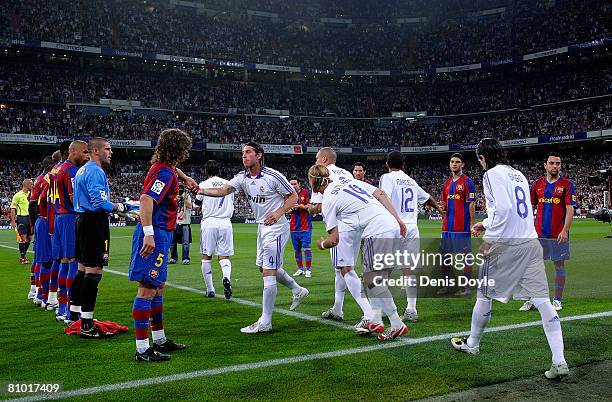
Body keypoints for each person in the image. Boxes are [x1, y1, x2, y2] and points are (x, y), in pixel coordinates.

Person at [451, 138, 568, 380]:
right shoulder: (519, 175)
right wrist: (485, 223)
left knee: (484, 294)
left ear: (482, 157)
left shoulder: (491, 174)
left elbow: (503, 210)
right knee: (543, 302)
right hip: (529, 242)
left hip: (506, 245)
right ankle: (559, 360)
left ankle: (472, 343)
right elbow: (513, 210)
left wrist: (489, 239)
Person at [200, 142, 308, 334]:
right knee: (265, 268)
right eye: (243, 153)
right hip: (262, 227)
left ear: (259, 155)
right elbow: (223, 190)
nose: (244, 156)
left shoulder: (273, 176)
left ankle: (265, 321)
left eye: (248, 152)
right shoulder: (242, 178)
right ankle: (297, 290)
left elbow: (293, 196)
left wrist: (279, 211)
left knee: (269, 271)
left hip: (276, 227)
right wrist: (201, 190)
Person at [311, 164, 409, 340]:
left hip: (377, 230)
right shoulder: (346, 182)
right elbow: (379, 194)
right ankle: (377, 320)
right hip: (389, 224)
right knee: (373, 280)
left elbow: (334, 239)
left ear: (313, 181)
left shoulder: (327, 201)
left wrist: (322, 244)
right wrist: (399, 220)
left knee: (372, 280)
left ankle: (395, 324)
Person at [129, 128, 195, 362]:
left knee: (158, 286)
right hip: (155, 233)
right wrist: (148, 234)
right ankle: (141, 349)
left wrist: (184, 177)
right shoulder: (164, 174)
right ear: (179, 149)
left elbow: (170, 172)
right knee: (148, 288)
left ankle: (159, 339)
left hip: (162, 233)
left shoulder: (164, 169)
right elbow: (146, 199)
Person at [71, 137, 131, 337]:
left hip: (81, 221)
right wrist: (119, 207)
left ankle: (76, 316)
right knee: (94, 271)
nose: (111, 152)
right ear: (95, 151)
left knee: (82, 269)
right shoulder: (95, 171)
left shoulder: (82, 170)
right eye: (107, 148)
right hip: (93, 222)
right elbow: (98, 202)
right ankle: (87, 325)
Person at [379, 151, 441, 322]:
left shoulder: (387, 178)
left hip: (395, 226)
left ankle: (383, 309)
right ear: (403, 165)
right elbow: (427, 198)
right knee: (409, 270)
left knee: (385, 267)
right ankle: (411, 308)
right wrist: (439, 209)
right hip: (412, 228)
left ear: (387, 164)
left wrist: (396, 220)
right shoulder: (411, 181)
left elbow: (384, 198)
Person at [520, 152, 576, 312]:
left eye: (557, 163)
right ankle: (532, 299)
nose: (554, 166)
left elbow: (569, 209)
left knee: (559, 265)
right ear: (545, 165)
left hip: (558, 234)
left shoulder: (566, 184)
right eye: (551, 163)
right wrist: (527, 228)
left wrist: (565, 230)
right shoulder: (537, 184)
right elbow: (529, 207)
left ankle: (557, 299)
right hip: (538, 234)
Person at [310, 147, 358, 321]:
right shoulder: (347, 173)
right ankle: (337, 308)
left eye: (317, 158)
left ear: (324, 159)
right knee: (343, 269)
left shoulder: (320, 174)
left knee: (346, 270)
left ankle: (370, 313)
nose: (315, 161)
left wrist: (303, 209)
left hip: (340, 225)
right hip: (356, 224)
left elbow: (317, 207)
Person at [53, 140, 90, 323]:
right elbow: (73, 197)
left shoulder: (61, 169)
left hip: (61, 216)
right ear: (73, 151)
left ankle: (62, 308)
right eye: (84, 152)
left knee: (65, 261)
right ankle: (70, 311)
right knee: (73, 262)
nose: (87, 156)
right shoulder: (71, 171)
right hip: (69, 217)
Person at [438, 153, 476, 296]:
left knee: (466, 256)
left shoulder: (467, 182)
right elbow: (445, 204)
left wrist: (472, 224)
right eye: (452, 162)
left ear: (462, 164)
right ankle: (446, 285)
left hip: (462, 227)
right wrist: (443, 209)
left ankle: (466, 287)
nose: (454, 164)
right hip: (447, 227)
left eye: (457, 162)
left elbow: (471, 203)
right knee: (445, 256)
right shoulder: (447, 184)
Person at [195, 160, 235, 299]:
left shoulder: (203, 185)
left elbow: (196, 204)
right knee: (224, 256)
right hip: (225, 222)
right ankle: (226, 277)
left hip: (209, 222)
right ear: (219, 170)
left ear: (206, 171)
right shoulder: (229, 184)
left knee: (206, 257)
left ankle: (210, 289)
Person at [29, 156, 55, 305]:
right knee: (47, 260)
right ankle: (44, 296)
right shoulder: (47, 180)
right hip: (45, 220)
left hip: (41, 220)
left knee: (40, 258)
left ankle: (36, 291)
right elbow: (33, 204)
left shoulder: (40, 179)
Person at [289, 177, 313, 278]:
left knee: (306, 248)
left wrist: (299, 206)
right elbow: (286, 210)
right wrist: (290, 209)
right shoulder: (288, 195)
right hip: (293, 227)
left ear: (299, 184)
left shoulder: (306, 193)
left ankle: (308, 270)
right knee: (297, 249)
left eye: (295, 184)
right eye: (291, 184)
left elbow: (310, 207)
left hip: (305, 226)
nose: (293, 186)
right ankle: (300, 269)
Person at [10, 178, 34, 264]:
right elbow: (13, 209)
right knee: (22, 238)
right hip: (22, 218)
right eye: (31, 184)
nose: (32, 185)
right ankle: (22, 258)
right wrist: (13, 221)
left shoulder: (32, 194)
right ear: (26, 185)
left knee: (29, 238)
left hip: (31, 218)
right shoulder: (17, 195)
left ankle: (23, 255)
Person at [169, 184, 193, 265]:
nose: (180, 189)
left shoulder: (187, 196)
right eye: (178, 188)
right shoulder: (175, 196)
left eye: (181, 188)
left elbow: (190, 206)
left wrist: (183, 199)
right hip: (175, 222)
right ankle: (173, 258)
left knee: (185, 242)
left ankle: (185, 258)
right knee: (172, 242)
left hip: (185, 223)